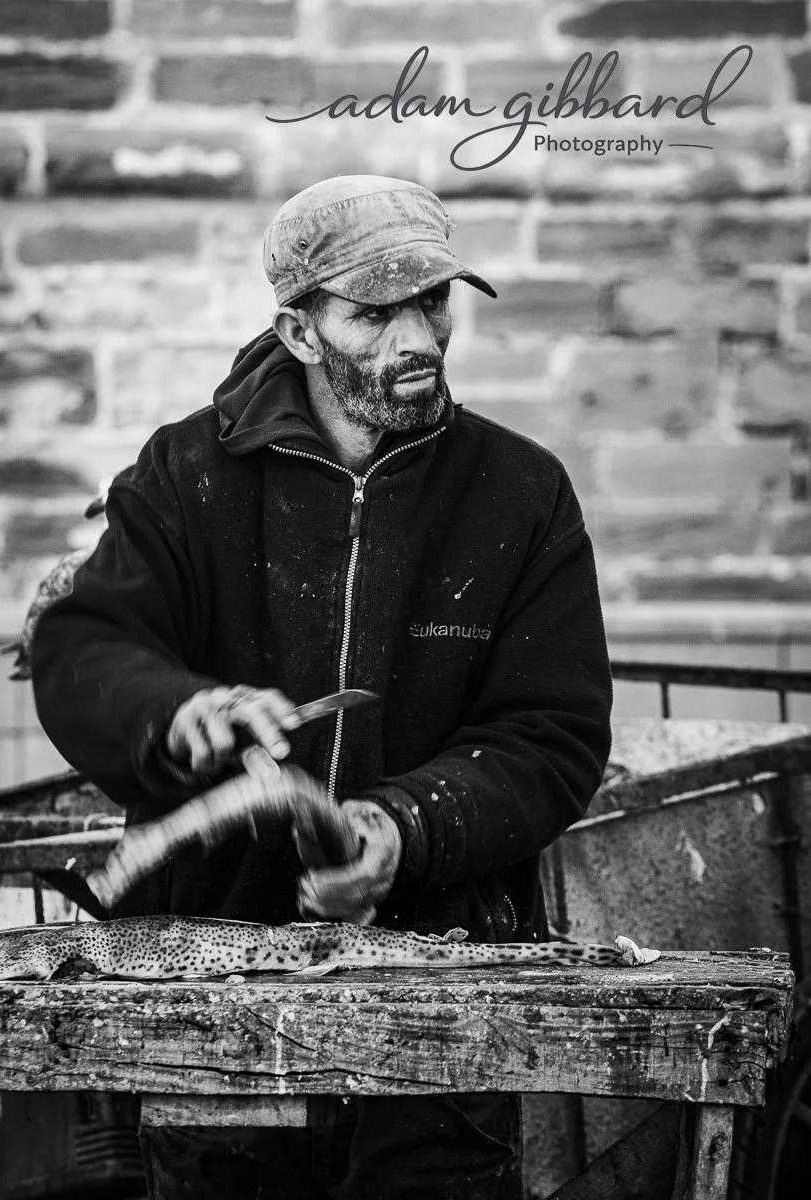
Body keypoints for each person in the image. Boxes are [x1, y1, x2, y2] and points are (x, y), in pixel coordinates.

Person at [31, 174, 612, 1200]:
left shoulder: (519, 491)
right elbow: (85, 653)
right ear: (300, 333)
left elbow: (551, 734)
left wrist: (399, 832)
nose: (419, 339)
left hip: (446, 992)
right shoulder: (184, 475)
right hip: (213, 988)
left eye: (433, 301)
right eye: (374, 312)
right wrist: (178, 710)